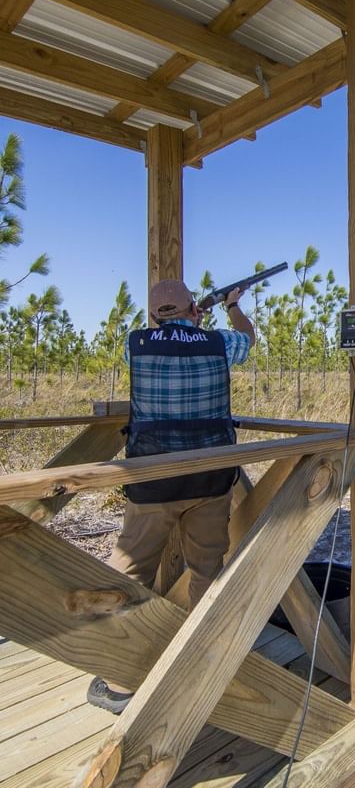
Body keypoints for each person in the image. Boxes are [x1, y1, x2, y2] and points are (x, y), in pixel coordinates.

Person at [87, 278, 255, 713]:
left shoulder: (135, 344)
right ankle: (203, 660)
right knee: (206, 571)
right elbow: (247, 339)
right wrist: (233, 306)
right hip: (210, 479)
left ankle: (119, 678)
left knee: (130, 571)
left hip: (151, 480)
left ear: (153, 313)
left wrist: (189, 320)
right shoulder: (218, 343)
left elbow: (170, 339)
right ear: (192, 309)